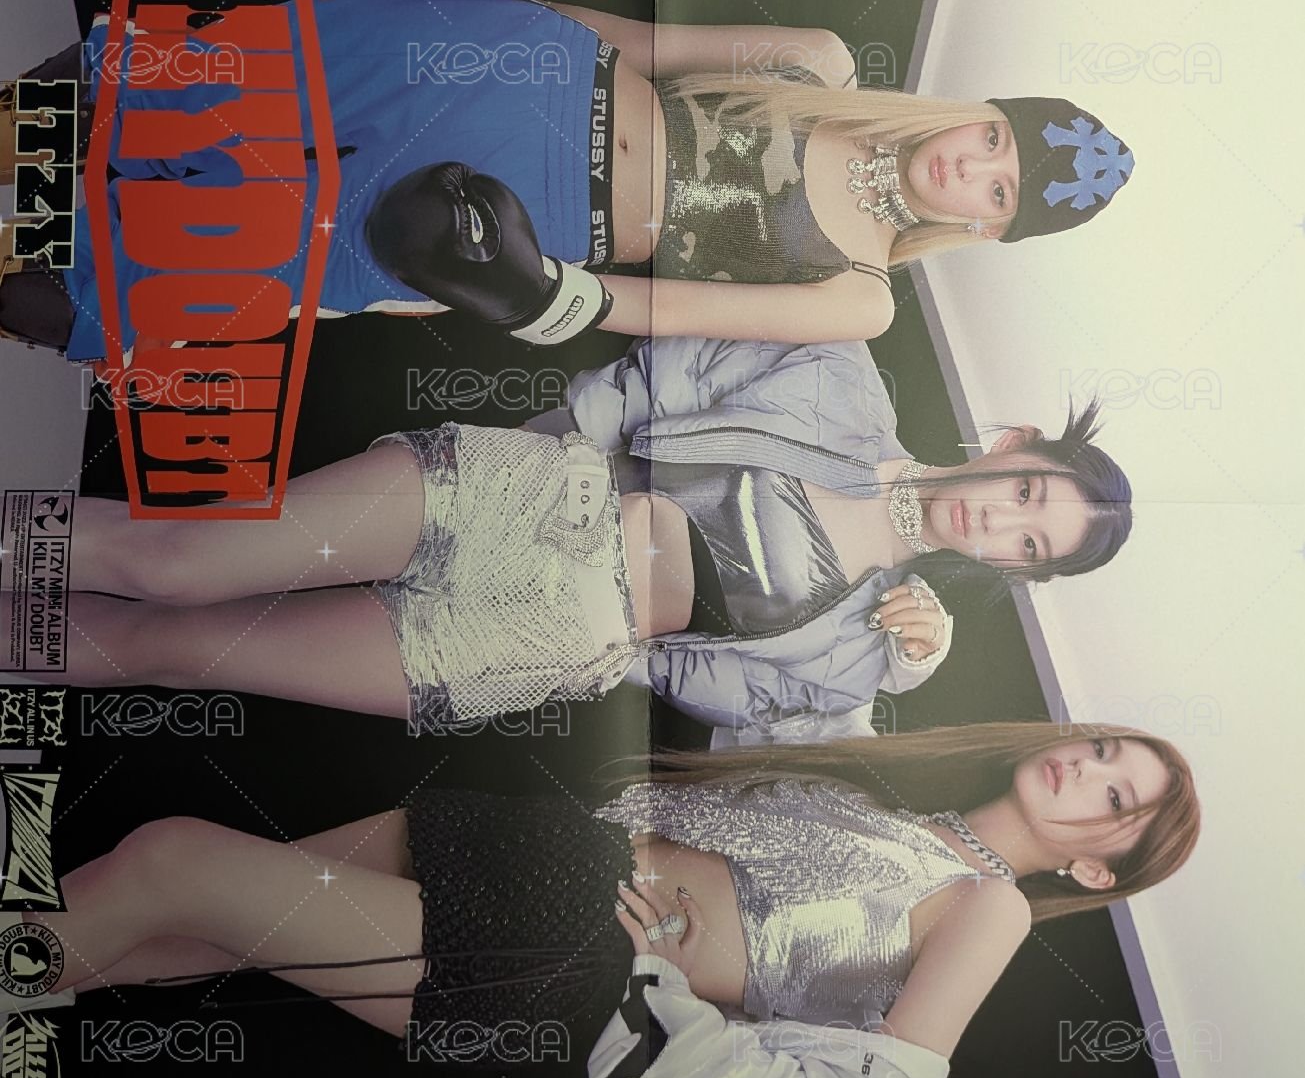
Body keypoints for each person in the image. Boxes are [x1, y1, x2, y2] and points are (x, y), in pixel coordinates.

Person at [2, 723, 1199, 1078]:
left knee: (175, 862)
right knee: (179, 927)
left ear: (1099, 867)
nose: (1086, 771)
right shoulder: (897, 795)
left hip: (560, 953)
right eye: (1104, 750)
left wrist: (673, 1013)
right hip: (536, 846)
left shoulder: (990, 905)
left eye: (1116, 798)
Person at [0, 335, 1130, 739]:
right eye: (1029, 493)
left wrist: (894, 673)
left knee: (179, 651)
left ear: (1011, 571)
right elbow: (657, 372)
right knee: (176, 561)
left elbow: (720, 702)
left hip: (538, 642)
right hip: (528, 498)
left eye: (1029, 545)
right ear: (1013, 444)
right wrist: (546, 457)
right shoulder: (841, 381)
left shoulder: (866, 652)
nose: (1001, 521)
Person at [0, 0, 1136, 354]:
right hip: (523, 67)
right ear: (980, 114)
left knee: (208, 264)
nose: (972, 166)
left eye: (999, 190)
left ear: (989, 229)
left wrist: (531, 298)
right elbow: (640, 41)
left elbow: (661, 310)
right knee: (208, 78)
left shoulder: (862, 297)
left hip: (524, 219)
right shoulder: (823, 64)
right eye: (997, 138)